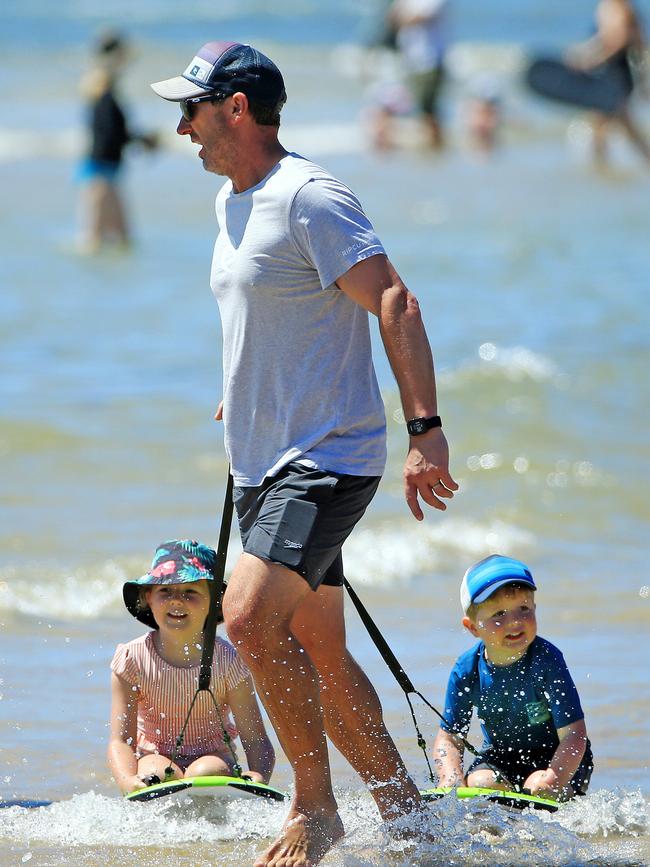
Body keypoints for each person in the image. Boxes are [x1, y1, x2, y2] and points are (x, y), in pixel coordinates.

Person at [150, 41, 458, 866]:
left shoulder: (309, 196)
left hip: (326, 458)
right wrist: (249, 386)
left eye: (193, 108)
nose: (182, 127)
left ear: (237, 109)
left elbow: (392, 296)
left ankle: (316, 807)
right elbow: (277, 315)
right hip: (263, 459)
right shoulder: (232, 202)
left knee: (246, 619)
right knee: (319, 646)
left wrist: (425, 430)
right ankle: (408, 816)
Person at [107, 539, 275, 794]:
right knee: (158, 773)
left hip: (213, 758)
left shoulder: (229, 660)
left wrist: (258, 775)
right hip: (154, 755)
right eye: (166, 591)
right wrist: (127, 781)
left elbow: (256, 738)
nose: (177, 601)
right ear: (148, 597)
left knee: (202, 772)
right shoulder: (133, 658)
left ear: (214, 602)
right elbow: (120, 741)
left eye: (190, 592)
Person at [433, 555, 593, 801]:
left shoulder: (547, 660)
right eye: (499, 613)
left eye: (524, 609)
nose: (515, 622)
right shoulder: (467, 669)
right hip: (501, 755)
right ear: (473, 627)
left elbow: (574, 734)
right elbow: (450, 738)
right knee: (480, 782)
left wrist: (555, 778)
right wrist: (450, 778)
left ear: (535, 608)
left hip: (559, 757)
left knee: (538, 787)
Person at [77, 30, 157, 254]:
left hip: (107, 169)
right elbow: (111, 133)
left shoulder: (102, 89)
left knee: (122, 240)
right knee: (95, 241)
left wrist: (139, 139)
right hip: (100, 172)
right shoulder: (102, 90)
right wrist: (141, 140)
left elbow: (113, 132)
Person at [568, 0, 650, 166]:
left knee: (620, 125)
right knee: (602, 123)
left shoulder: (618, 7)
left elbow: (617, 41)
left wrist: (589, 60)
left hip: (614, 76)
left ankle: (601, 167)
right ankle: (601, 168)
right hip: (615, 74)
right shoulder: (623, 6)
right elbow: (637, 42)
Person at [389, 0, 450, 149]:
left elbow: (421, 17)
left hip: (431, 60)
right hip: (410, 61)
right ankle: (427, 146)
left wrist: (402, 19)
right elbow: (392, 17)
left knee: (429, 110)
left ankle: (436, 147)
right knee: (412, 109)